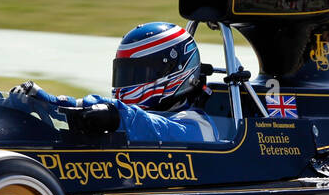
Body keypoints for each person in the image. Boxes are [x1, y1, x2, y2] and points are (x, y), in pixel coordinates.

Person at [13, 22, 219, 142]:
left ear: (176, 73)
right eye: (125, 73)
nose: (128, 82)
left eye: (139, 73)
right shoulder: (131, 120)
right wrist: (46, 102)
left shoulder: (198, 128)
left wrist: (114, 115)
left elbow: (149, 126)